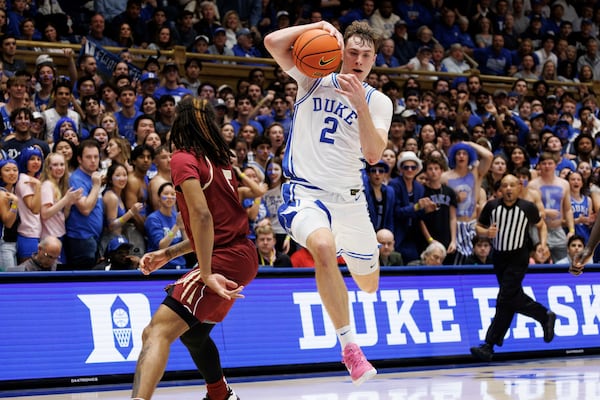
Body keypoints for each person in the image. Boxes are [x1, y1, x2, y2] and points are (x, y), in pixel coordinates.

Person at [264, 20, 393, 385]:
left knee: (368, 285)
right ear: (340, 52)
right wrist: (319, 25)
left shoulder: (379, 102)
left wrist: (359, 107)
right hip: (304, 193)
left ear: (373, 61)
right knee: (323, 246)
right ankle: (350, 348)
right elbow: (273, 41)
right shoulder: (311, 77)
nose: (358, 60)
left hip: (350, 202)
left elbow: (373, 154)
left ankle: (353, 265)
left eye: (366, 55)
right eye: (352, 52)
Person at [130, 97, 258, 400]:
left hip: (225, 257)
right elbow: (214, 227)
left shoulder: (183, 158)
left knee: (155, 332)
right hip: (241, 253)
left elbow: (202, 217)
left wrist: (208, 272)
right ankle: (220, 394)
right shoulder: (219, 160)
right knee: (193, 333)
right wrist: (168, 253)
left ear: (180, 122)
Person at [470, 175, 556, 362]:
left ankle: (489, 344)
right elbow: (478, 227)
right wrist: (486, 233)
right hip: (499, 257)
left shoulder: (527, 207)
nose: (508, 189)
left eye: (512, 185)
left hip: (519, 256)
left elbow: (541, 226)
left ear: (519, 187)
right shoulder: (492, 206)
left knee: (504, 298)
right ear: (500, 188)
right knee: (509, 299)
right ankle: (544, 315)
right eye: (504, 185)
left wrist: (542, 243)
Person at [144, 182, 188, 269]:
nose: (169, 197)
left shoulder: (177, 216)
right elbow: (162, 246)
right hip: (161, 267)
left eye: (172, 194)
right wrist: (176, 226)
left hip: (180, 265)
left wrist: (182, 229)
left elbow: (186, 243)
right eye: (166, 194)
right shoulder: (153, 219)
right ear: (159, 198)